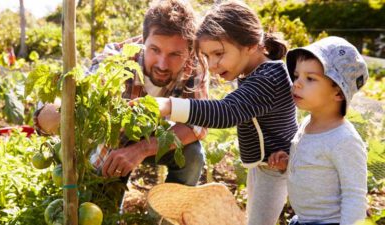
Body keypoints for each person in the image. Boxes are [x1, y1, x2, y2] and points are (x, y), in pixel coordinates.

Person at [34, 0, 207, 188]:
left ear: (189, 50)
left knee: (193, 155)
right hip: (114, 142)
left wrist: (141, 149)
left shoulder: (194, 65)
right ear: (143, 41)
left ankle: (169, 213)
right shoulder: (117, 60)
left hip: (155, 139)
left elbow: (198, 124)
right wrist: (53, 113)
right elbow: (86, 94)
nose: (162, 64)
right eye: (154, 50)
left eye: (175, 54)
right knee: (100, 201)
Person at [155, 2, 298, 225]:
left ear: (250, 44)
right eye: (207, 56)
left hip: (275, 167)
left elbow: (225, 112)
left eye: (218, 53)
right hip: (265, 165)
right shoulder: (257, 72)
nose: (211, 65)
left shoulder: (268, 78)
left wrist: (168, 106)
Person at [269, 36, 368, 225]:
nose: (296, 83)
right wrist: (288, 164)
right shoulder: (307, 123)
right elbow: (317, 166)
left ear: (338, 92)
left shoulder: (344, 140)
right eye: (296, 76)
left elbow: (354, 196)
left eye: (310, 78)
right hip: (303, 220)